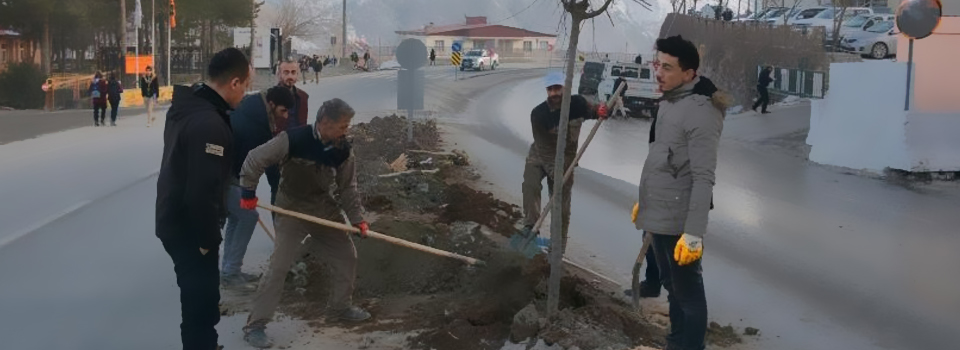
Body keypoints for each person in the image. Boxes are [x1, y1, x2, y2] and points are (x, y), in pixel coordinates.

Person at [240, 99, 370, 348]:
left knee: (347, 256)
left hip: (323, 208)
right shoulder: (293, 139)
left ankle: (340, 307)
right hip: (291, 209)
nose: (346, 130)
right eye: (342, 126)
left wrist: (357, 219)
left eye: (347, 125)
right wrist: (248, 191)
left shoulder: (343, 149)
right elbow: (255, 159)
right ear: (324, 123)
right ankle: (256, 324)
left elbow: (348, 188)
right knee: (278, 266)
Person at [155, 47, 252, 350]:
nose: (245, 94)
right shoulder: (209, 124)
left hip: (174, 218)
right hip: (190, 228)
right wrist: (208, 240)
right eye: (246, 86)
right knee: (201, 306)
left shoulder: (190, 106)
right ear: (234, 83)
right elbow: (202, 191)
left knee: (200, 301)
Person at [634, 35, 727, 350]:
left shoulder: (700, 110)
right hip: (660, 211)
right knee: (670, 286)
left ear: (689, 73)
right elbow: (661, 160)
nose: (659, 73)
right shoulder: (670, 101)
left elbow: (703, 177)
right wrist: (644, 202)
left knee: (688, 294)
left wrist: (694, 234)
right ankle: (675, 343)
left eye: (668, 68)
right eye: (658, 65)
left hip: (681, 219)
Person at [220, 59, 310, 287]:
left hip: (225, 171)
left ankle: (229, 269)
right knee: (248, 216)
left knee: (237, 216)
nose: (284, 116)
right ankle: (231, 273)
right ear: (272, 104)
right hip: (219, 174)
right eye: (282, 111)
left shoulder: (257, 107)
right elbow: (251, 165)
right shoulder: (255, 124)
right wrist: (247, 194)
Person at [517, 72, 608, 253]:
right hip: (540, 155)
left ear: (565, 88)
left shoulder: (578, 104)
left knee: (562, 206)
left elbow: (593, 111)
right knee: (530, 185)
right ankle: (530, 227)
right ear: (546, 91)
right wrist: (554, 173)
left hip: (566, 161)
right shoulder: (538, 114)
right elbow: (545, 149)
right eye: (550, 90)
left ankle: (557, 245)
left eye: (557, 88)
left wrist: (602, 111)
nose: (554, 93)